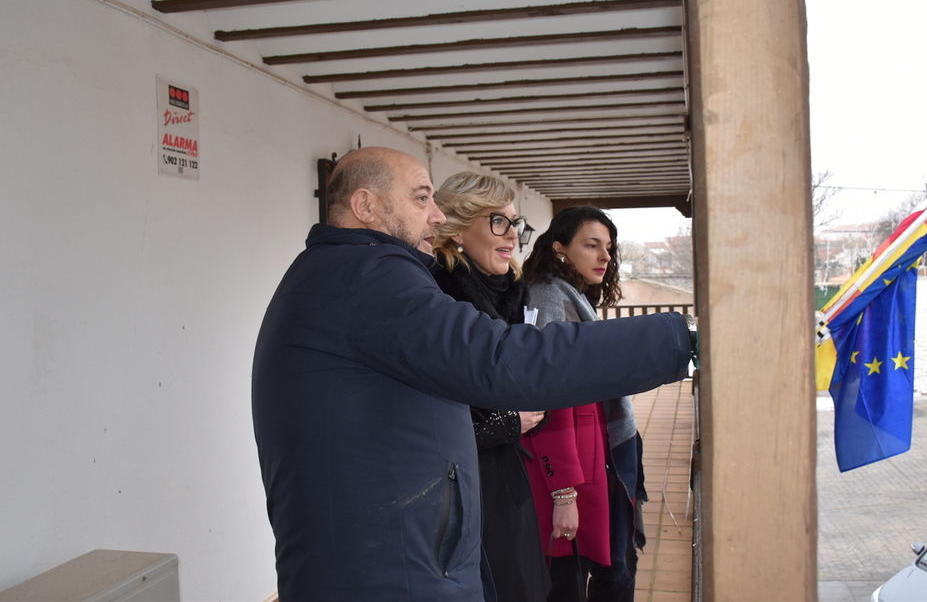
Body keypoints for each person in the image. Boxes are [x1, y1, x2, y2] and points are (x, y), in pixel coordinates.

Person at [251, 147, 692, 602]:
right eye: (421, 198)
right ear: (367, 206)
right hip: (390, 573)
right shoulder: (369, 276)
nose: (436, 216)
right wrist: (678, 341)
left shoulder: (342, 273)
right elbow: (502, 360)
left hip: (389, 559)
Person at [432, 171, 550, 602]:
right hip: (458, 485)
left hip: (503, 474)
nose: (513, 237)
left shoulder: (511, 292)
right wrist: (503, 424)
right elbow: (426, 414)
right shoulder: (438, 296)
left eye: (514, 223)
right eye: (497, 221)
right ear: (458, 227)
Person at [521, 206, 648, 602]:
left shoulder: (568, 292)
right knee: (596, 573)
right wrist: (566, 492)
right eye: (592, 245)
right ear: (559, 249)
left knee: (612, 566)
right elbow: (549, 395)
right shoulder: (548, 295)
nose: (605, 257)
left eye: (608, 247)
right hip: (584, 457)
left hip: (600, 448)